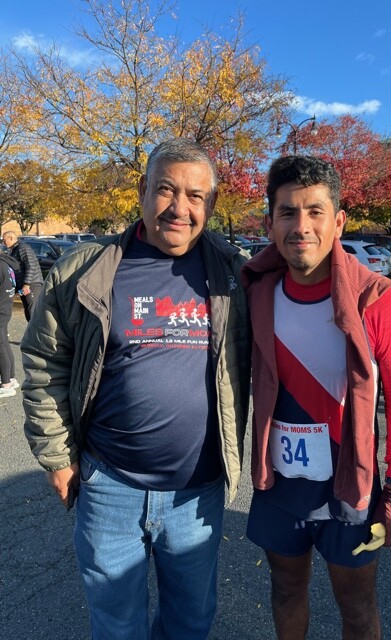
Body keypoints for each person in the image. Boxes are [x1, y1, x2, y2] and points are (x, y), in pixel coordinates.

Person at [21, 138, 251, 640]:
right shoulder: (84, 270)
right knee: (115, 624)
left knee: (190, 622)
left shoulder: (236, 275)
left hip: (199, 492)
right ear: (143, 190)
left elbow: (309, 281)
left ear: (210, 205)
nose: (180, 207)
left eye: (195, 196)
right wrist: (57, 457)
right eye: (166, 189)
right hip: (110, 488)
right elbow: (43, 363)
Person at [241, 155, 391, 639]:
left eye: (316, 211)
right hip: (279, 483)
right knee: (284, 590)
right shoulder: (256, 289)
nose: (302, 226)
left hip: (349, 484)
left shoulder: (376, 298)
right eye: (288, 213)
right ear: (270, 222)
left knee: (357, 608)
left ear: (338, 220)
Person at [2, 231, 43, 321]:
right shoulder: (14, 251)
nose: (3, 243)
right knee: (28, 311)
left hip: (32, 285)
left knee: (32, 311)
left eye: (4, 240)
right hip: (23, 286)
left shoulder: (22, 248)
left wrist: (26, 284)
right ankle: (31, 333)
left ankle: (35, 333)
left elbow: (31, 266)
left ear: (11, 238)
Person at [0, 251, 19, 397]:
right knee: (4, 343)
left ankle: (6, 384)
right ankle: (11, 378)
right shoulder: (6, 264)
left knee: (1, 347)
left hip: (1, 310)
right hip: (5, 308)